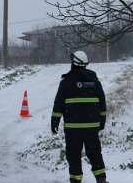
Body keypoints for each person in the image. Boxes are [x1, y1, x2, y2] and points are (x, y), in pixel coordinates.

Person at [51, 51, 108, 183]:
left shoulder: (66, 82)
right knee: (95, 154)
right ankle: (101, 180)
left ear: (74, 63)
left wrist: (54, 122)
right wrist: (102, 121)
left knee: (74, 156)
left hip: (73, 129)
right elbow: (102, 103)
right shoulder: (95, 81)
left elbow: (58, 104)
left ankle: (76, 181)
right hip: (92, 128)